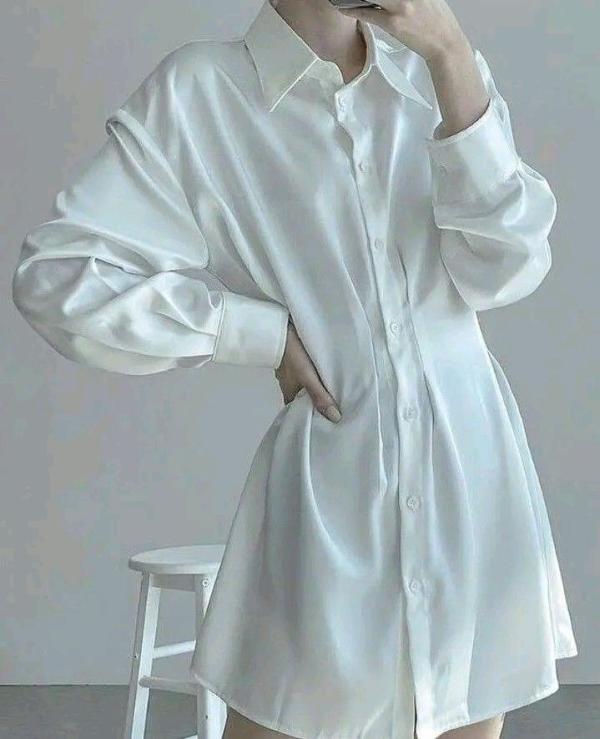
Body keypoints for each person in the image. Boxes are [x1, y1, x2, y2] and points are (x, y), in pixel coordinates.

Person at [12, 1, 578, 738]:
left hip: (472, 483)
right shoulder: (202, 93)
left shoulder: (437, 75)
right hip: (334, 494)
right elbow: (59, 278)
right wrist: (255, 332)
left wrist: (450, 53)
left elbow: (506, 267)